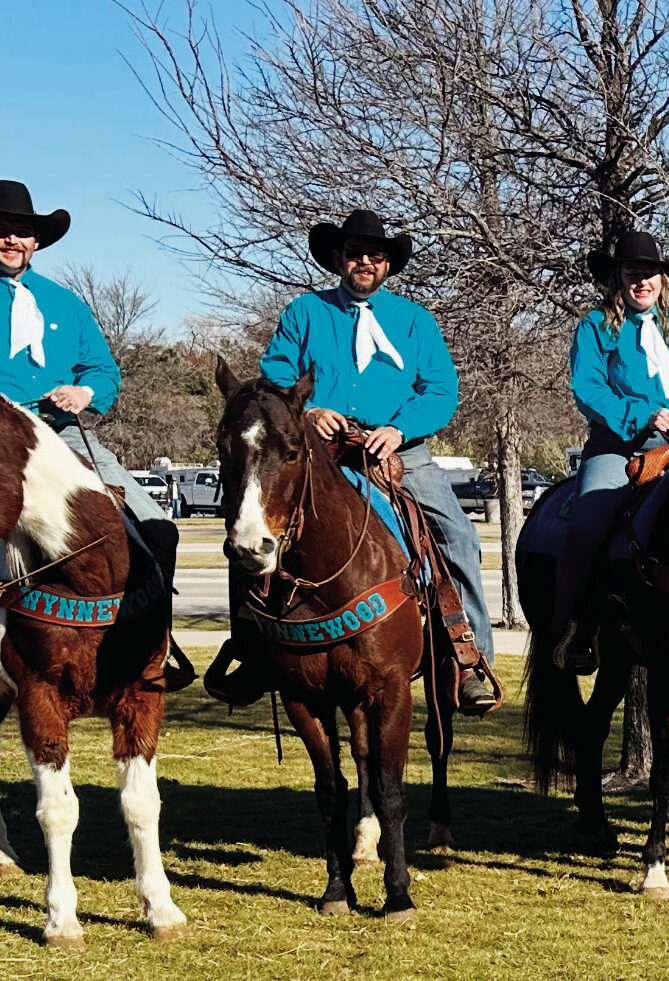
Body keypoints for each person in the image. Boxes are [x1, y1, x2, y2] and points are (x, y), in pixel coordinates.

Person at [207, 209, 497, 712]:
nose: (365, 262)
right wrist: (310, 409)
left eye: (376, 256)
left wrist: (399, 428)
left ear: (388, 265)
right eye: (356, 254)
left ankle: (468, 661)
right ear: (339, 259)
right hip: (321, 454)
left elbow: (441, 391)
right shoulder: (304, 313)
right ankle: (252, 648)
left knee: (459, 537)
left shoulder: (415, 321)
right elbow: (275, 376)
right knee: (250, 532)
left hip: (398, 450)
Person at [548, 231, 669, 673]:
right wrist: (644, 414)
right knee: (589, 520)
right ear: (618, 278)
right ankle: (574, 625)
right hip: (621, 447)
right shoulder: (595, 326)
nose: (641, 281)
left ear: (662, 280)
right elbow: (588, 388)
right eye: (633, 273)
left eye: (649, 273)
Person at [0, 180, 180, 586]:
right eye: (1, 227)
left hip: (65, 436)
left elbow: (104, 371)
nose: (11, 238)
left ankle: (149, 645)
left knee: (158, 530)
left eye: (22, 230)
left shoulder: (66, 303)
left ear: (36, 242)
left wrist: (84, 392)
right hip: (1, 442)